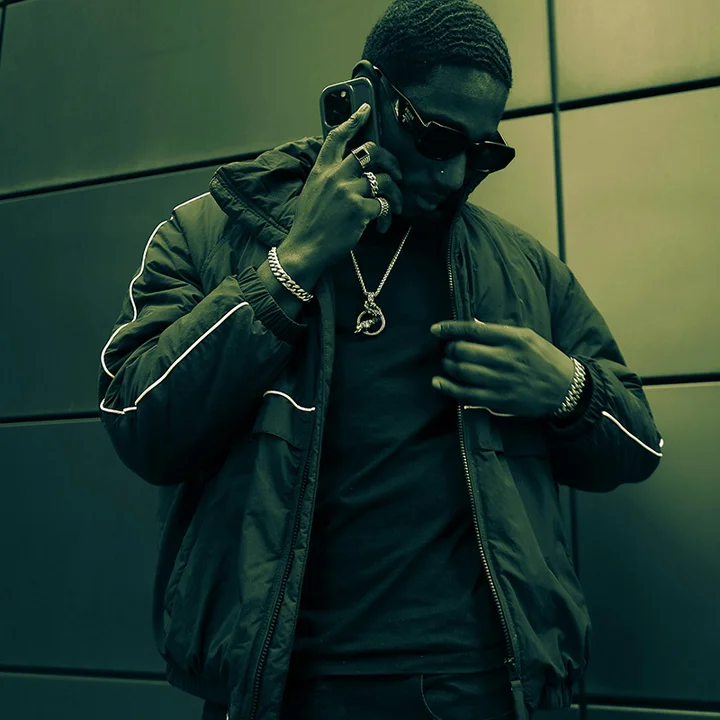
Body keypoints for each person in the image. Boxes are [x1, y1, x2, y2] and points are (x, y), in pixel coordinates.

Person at [97, 1, 665, 719]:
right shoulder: (213, 233)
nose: (455, 175)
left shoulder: (519, 268)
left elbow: (639, 443)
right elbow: (141, 422)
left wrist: (569, 392)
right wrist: (291, 267)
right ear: (365, 94)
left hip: (472, 685)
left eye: (484, 152)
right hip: (279, 685)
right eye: (436, 138)